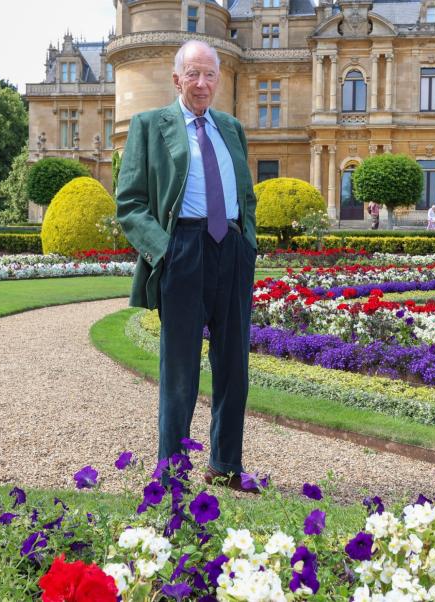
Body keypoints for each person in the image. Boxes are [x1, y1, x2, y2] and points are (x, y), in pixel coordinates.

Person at [116, 40, 258, 494]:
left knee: (234, 366)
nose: (202, 83)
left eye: (210, 75)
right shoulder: (148, 126)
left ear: (219, 79)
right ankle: (172, 474)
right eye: (193, 74)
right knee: (181, 371)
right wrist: (165, 250)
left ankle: (225, 465)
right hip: (184, 250)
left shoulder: (232, 128)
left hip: (230, 251)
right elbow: (130, 204)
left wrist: (248, 243)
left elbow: (246, 195)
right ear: (176, 79)